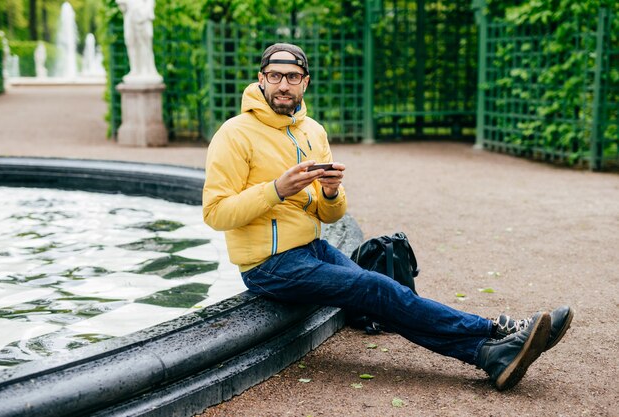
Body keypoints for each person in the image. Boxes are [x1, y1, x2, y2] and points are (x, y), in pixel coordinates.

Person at [202, 43, 573, 391]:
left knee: (382, 293)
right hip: (268, 265)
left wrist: (331, 192)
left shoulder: (312, 131)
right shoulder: (234, 134)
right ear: (261, 78)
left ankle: (490, 355)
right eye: (275, 76)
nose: (283, 85)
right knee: (376, 288)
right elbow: (216, 213)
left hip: (310, 249)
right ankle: (496, 330)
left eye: (292, 77)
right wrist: (276, 189)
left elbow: (331, 215)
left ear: (305, 82)